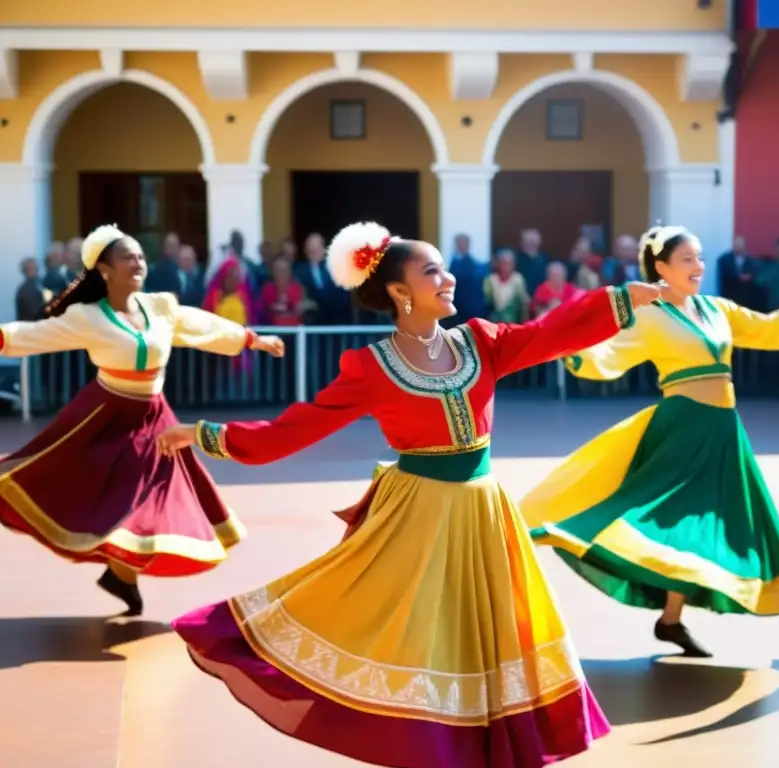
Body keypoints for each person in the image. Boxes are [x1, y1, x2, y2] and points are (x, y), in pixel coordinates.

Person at [156, 221, 666, 768]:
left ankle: (493, 747)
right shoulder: (372, 366)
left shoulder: (481, 342)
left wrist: (618, 301)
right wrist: (209, 434)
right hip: (417, 518)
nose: (447, 279)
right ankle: (431, 748)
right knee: (422, 635)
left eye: (444, 268)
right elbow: (296, 428)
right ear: (400, 292)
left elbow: (549, 332)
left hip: (485, 514)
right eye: (431, 272)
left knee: (492, 636)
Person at [519, 225, 779, 657]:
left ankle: (671, 619)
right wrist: (570, 345)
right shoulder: (649, 314)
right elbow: (608, 352)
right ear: (660, 267)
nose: (698, 266)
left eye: (699, 258)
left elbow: (768, 327)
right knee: (668, 519)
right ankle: (596, 560)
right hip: (682, 428)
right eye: (687, 260)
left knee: (710, 522)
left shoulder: (716, 309)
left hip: (722, 430)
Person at [0, 225, 284, 615]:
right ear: (104, 269)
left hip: (155, 415)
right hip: (104, 413)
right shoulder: (87, 316)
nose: (137, 263)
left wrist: (252, 339)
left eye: (140, 256)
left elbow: (200, 325)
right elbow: (36, 335)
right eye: (127, 257)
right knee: (110, 493)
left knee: (151, 498)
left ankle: (122, 575)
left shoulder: (160, 306)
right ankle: (122, 575)